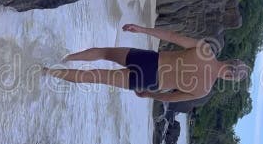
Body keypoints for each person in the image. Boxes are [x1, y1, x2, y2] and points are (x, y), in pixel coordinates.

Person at [41, 24, 250, 102]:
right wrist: (148, 93)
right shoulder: (203, 90)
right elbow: (168, 98)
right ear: (229, 78)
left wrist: (142, 30)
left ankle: (64, 59)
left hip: (150, 60)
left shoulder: (205, 50)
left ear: (229, 61)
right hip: (149, 80)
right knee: (92, 77)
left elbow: (170, 36)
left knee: (104, 52)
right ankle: (46, 71)